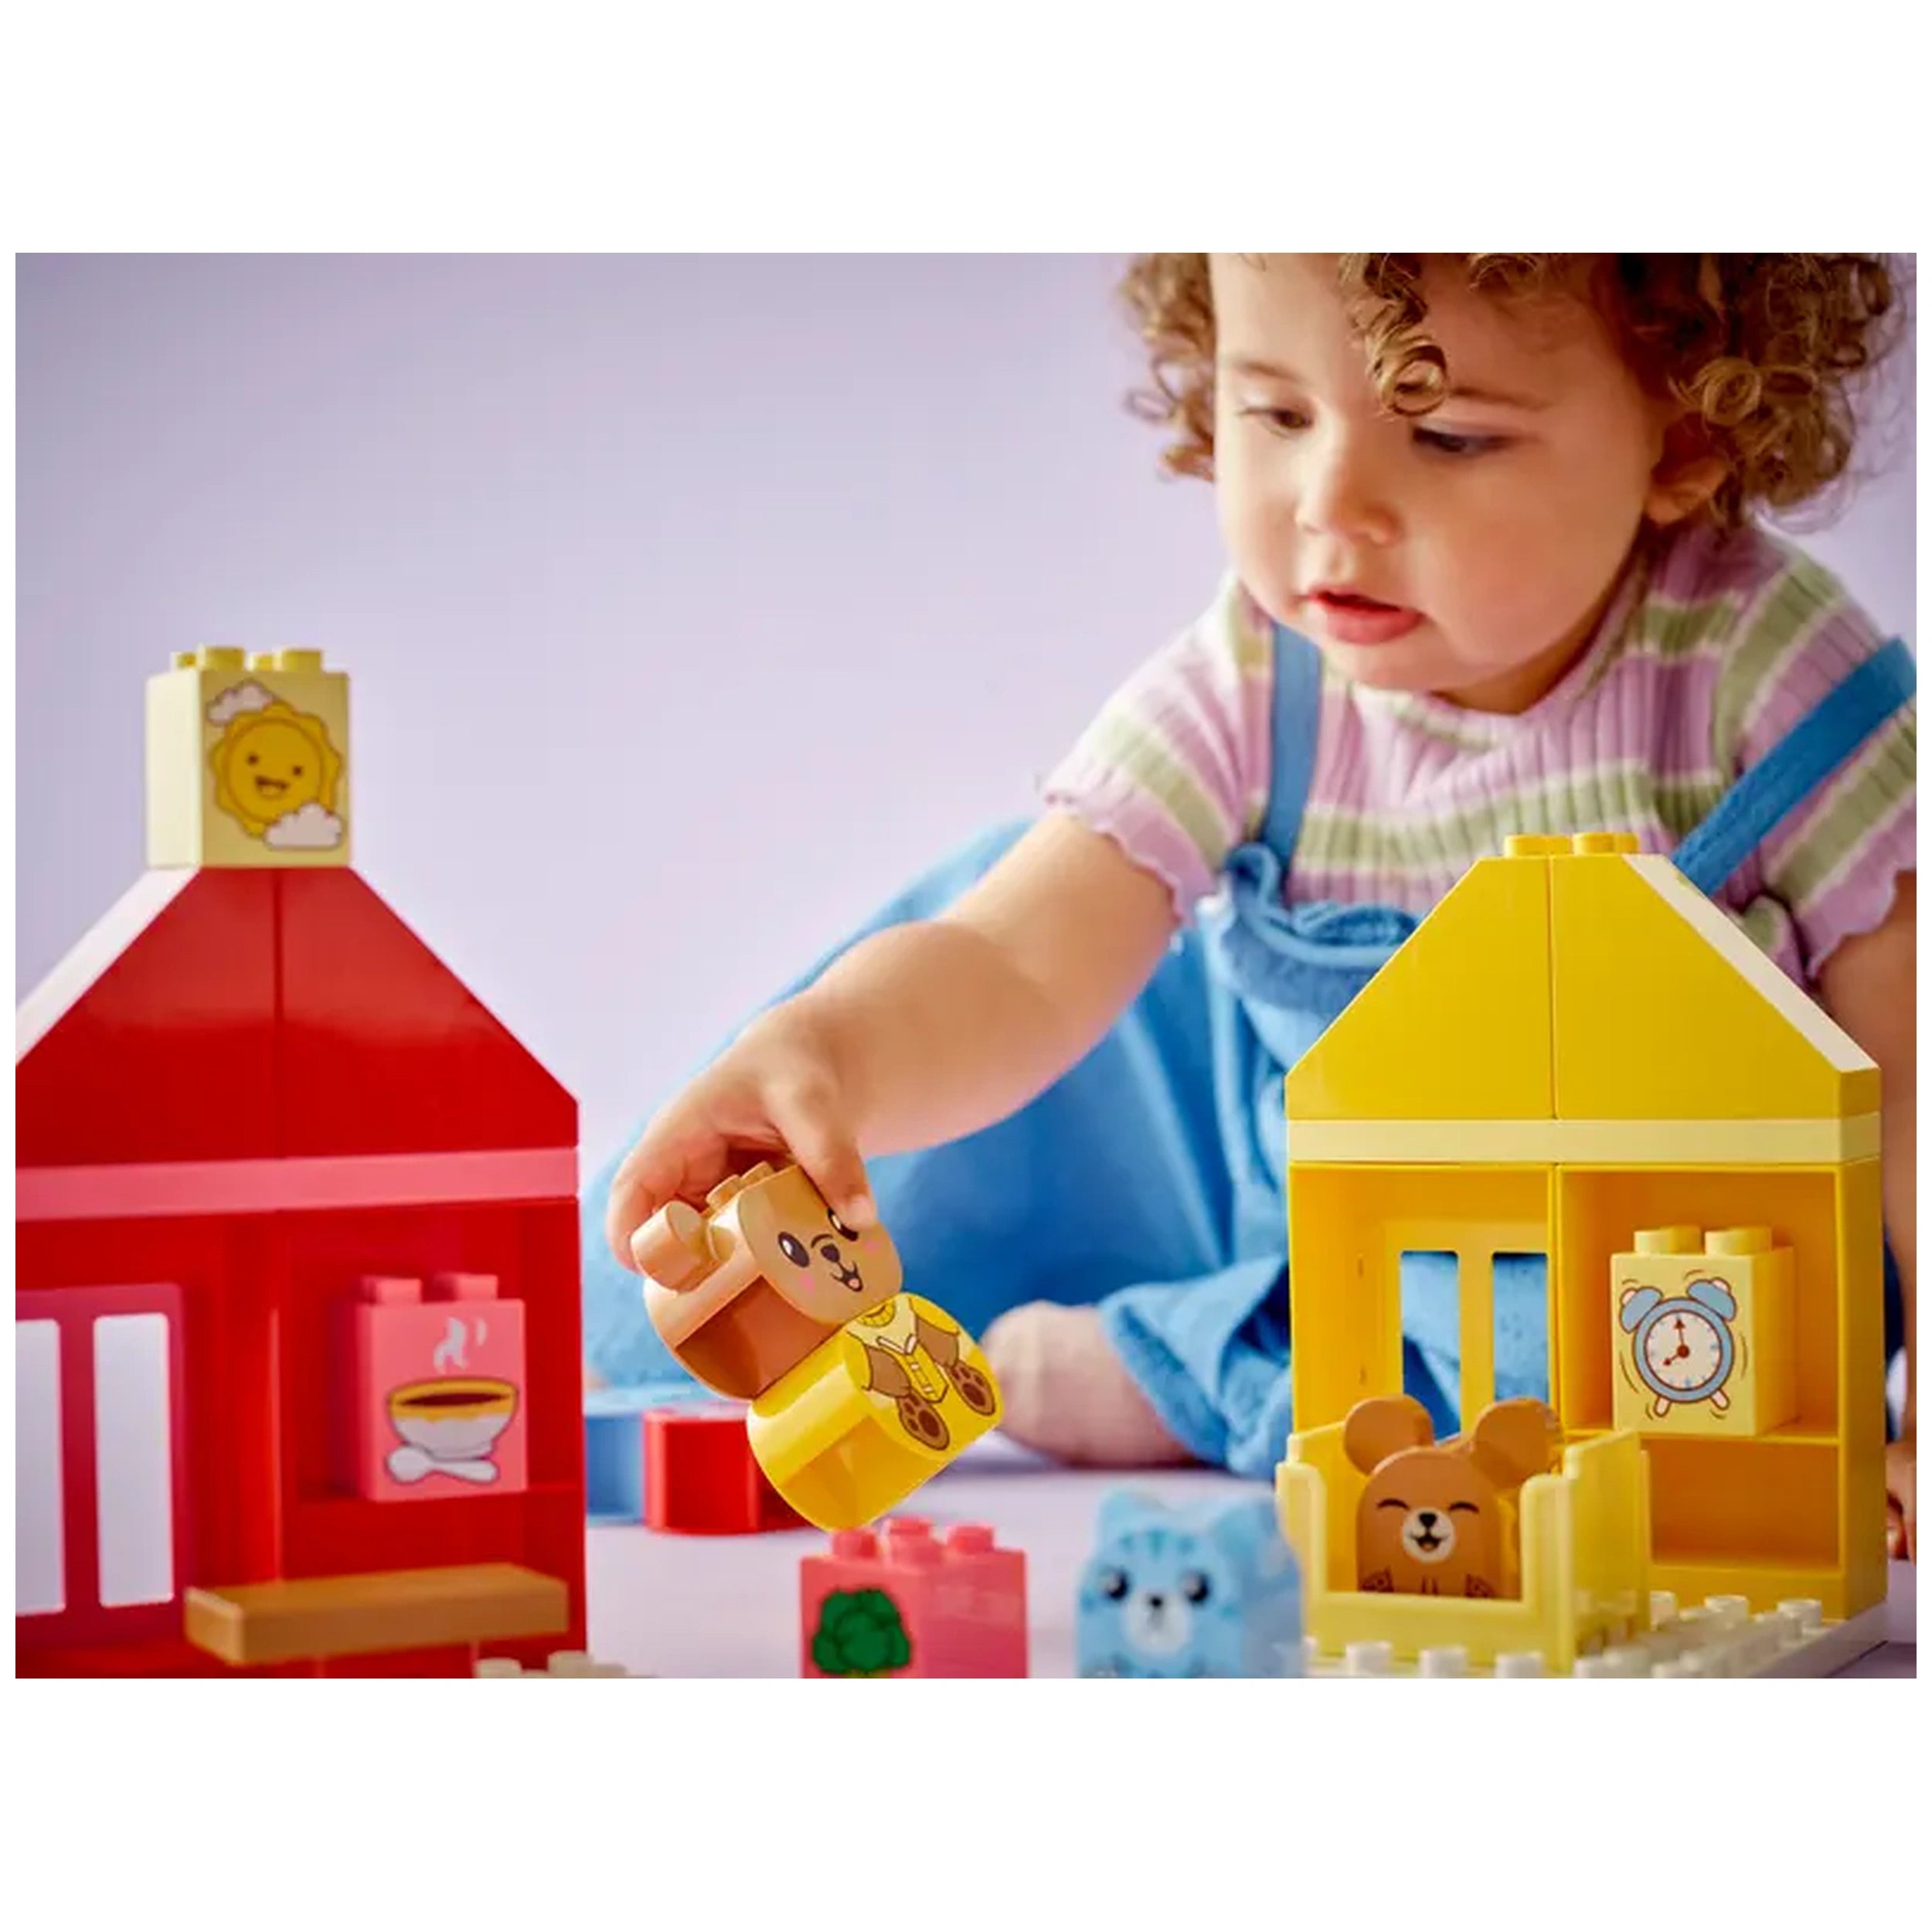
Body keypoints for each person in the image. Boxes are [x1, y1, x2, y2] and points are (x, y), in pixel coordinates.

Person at [592, 254, 1917, 1560]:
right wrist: (827, 1052)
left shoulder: (1763, 674)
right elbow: (1014, 960)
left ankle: (1191, 1377)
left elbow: (1909, 1085)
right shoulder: (1256, 679)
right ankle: (1204, 1362)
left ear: (1683, 436)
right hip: (1320, 1237)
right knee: (1012, 917)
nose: (1330, 509)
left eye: (1450, 437)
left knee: (1615, 1415)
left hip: (1659, 1282)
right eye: (1277, 413)